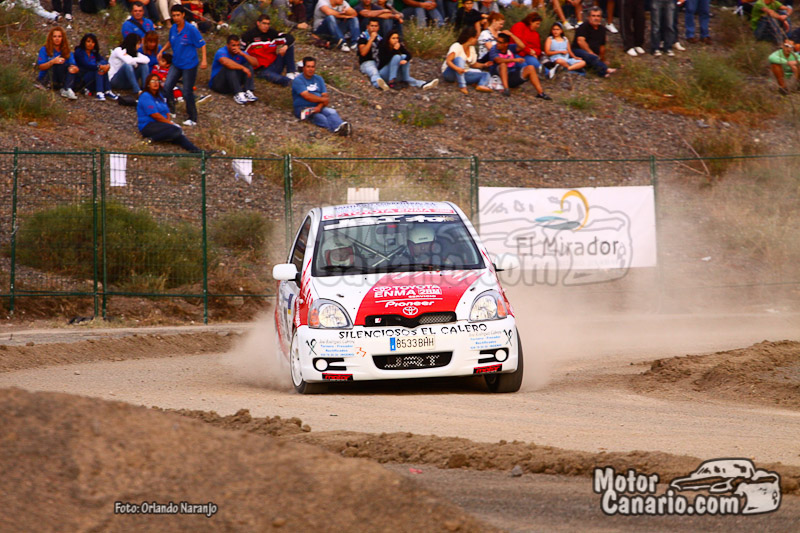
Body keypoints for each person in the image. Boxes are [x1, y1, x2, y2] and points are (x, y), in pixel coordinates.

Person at [159, 4, 207, 127]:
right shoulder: (173, 29)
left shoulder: (191, 29)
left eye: (178, 15)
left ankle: (192, 117)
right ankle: (171, 110)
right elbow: (171, 41)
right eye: (174, 16)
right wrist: (162, 51)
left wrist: (204, 60)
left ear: (183, 15)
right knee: (167, 86)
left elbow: (202, 44)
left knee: (187, 92)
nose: (176, 18)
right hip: (176, 63)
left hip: (189, 64)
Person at [138, 73, 202, 152]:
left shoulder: (159, 96)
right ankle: (151, 139)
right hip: (148, 125)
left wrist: (168, 121)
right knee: (176, 130)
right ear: (148, 84)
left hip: (161, 124)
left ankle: (197, 151)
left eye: (157, 81)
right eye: (153, 81)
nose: (156, 83)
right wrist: (169, 123)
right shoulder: (146, 96)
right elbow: (154, 114)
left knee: (179, 135)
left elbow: (166, 111)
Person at [291, 56, 352, 136]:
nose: (310, 69)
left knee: (331, 112)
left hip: (318, 106)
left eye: (312, 67)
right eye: (308, 67)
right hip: (303, 108)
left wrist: (319, 107)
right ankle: (336, 130)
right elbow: (307, 96)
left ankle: (341, 126)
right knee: (320, 117)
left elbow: (325, 96)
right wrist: (322, 100)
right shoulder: (298, 80)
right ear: (303, 68)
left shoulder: (319, 79)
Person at [489, 32, 551, 99]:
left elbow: (522, 46)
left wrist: (512, 35)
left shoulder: (510, 47)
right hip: (500, 77)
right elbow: (498, 60)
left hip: (513, 75)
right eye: (497, 41)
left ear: (506, 44)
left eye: (500, 42)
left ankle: (541, 93)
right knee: (503, 65)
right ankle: (506, 89)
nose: (497, 44)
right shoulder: (494, 49)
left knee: (530, 67)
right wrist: (514, 60)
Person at [241, 14, 298, 87]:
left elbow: (289, 37)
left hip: (275, 63)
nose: (266, 26)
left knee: (289, 45)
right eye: (264, 23)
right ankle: (295, 83)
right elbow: (242, 52)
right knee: (281, 79)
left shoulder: (272, 33)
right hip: (262, 69)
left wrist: (285, 46)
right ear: (258, 23)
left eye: (268, 24)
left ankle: (291, 72)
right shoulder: (248, 36)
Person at [441, 26, 493, 95]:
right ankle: (462, 86)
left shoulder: (472, 48)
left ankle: (481, 85)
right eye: (476, 38)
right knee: (459, 59)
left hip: (464, 72)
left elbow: (473, 64)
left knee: (486, 74)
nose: (476, 40)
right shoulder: (457, 46)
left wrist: (484, 65)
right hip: (450, 73)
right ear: (470, 38)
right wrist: (457, 69)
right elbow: (448, 61)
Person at [209, 35, 258, 104]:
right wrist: (243, 68)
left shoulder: (240, 52)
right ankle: (238, 92)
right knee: (229, 67)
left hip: (232, 83)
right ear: (227, 45)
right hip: (219, 83)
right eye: (233, 45)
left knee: (248, 64)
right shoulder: (221, 51)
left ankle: (248, 91)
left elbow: (255, 63)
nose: (236, 48)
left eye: (238, 45)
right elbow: (226, 62)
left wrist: (244, 55)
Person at [572, 7, 616, 77]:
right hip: (578, 51)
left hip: (593, 56)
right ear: (589, 17)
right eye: (593, 16)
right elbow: (580, 41)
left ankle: (602, 69)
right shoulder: (583, 27)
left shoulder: (602, 29)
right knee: (591, 56)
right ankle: (605, 71)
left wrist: (602, 59)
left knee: (593, 58)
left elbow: (602, 46)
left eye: (598, 16)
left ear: (601, 18)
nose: (596, 18)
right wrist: (591, 52)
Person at [36, 26, 79, 100]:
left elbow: (74, 65)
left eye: (59, 36)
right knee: (58, 63)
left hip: (61, 77)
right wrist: (52, 61)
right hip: (47, 76)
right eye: (54, 36)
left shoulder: (67, 51)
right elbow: (41, 66)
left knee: (69, 66)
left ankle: (67, 88)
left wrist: (74, 69)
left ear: (62, 38)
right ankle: (65, 88)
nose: (57, 39)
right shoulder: (44, 49)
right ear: (51, 38)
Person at [74, 33, 119, 100]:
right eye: (88, 41)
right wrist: (99, 67)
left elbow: (103, 60)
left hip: (94, 77)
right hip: (83, 78)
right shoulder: (79, 52)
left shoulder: (94, 52)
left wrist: (107, 66)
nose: (90, 44)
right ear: (84, 42)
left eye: (93, 42)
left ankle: (107, 91)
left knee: (103, 65)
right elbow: (85, 65)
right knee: (99, 69)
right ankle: (100, 92)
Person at [358, 19, 390, 90]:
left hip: (378, 63)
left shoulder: (380, 39)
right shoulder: (362, 38)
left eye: (376, 26)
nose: (373, 28)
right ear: (368, 27)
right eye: (372, 26)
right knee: (373, 71)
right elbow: (363, 53)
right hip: (367, 63)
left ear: (378, 28)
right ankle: (378, 84)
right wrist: (371, 39)